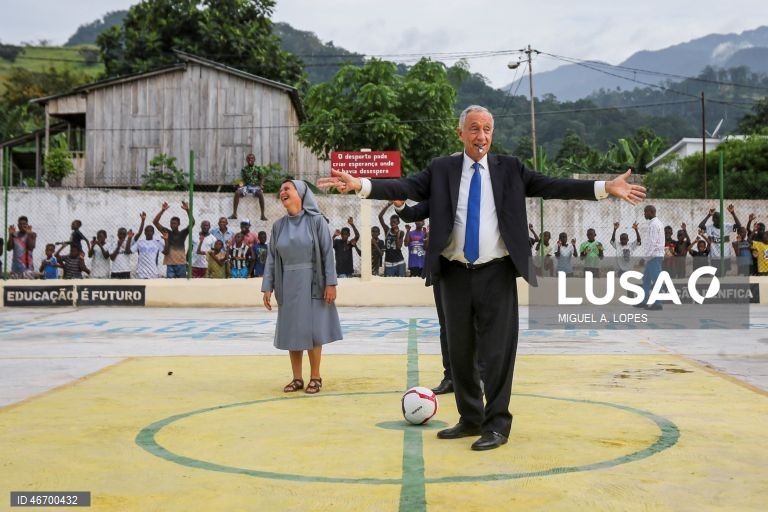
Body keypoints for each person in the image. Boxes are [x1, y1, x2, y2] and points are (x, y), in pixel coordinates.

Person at [318, 105, 645, 450]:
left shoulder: (511, 170)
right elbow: (406, 185)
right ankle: (471, 419)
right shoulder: (442, 169)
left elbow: (553, 185)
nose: (482, 136)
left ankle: (497, 425)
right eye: (474, 129)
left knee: (497, 352)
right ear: (460, 134)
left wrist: (604, 186)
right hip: (454, 273)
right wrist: (361, 185)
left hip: (497, 272)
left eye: (487, 129)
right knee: (460, 351)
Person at [262, 179, 342, 395]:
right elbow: (271, 258)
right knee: (292, 331)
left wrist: (331, 282)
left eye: (287, 188)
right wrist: (267, 286)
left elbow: (327, 253)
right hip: (287, 282)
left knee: (313, 331)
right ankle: (297, 378)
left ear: (301, 193)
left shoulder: (317, 221)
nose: (282, 192)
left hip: (313, 282)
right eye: (280, 190)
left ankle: (315, 377)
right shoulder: (278, 226)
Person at [395, 200, 455, 395]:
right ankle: (451, 377)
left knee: (474, 327)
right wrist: (400, 204)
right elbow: (412, 212)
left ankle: (477, 376)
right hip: (442, 268)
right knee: (446, 326)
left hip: (472, 267)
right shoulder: (440, 192)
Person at [153, 201, 194, 278]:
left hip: (181, 264)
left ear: (179, 224)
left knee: (182, 285)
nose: (172, 225)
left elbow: (192, 222)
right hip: (170, 264)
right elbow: (155, 222)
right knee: (170, 285)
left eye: (174, 223)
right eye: (171, 223)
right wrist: (162, 210)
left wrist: (187, 210)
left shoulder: (183, 233)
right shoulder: (167, 232)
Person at [698, 205, 741, 277]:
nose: (719, 220)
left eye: (720, 218)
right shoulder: (710, 227)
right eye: (716, 218)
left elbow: (738, 225)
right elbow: (701, 225)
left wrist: (733, 213)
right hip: (715, 256)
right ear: (713, 220)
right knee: (717, 274)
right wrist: (709, 215)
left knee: (723, 274)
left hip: (725, 255)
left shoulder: (726, 226)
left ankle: (721, 286)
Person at [637, 205, 665, 310]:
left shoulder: (654, 225)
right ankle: (644, 301)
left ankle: (658, 303)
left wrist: (645, 257)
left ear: (651, 212)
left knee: (656, 279)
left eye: (646, 212)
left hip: (654, 256)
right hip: (652, 256)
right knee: (646, 279)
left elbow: (653, 243)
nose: (644, 214)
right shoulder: (656, 223)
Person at [230, 153, 267, 221]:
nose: (250, 160)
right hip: (247, 186)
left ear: (254, 159)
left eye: (252, 158)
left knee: (260, 194)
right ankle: (234, 214)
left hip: (255, 186)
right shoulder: (244, 169)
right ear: (247, 160)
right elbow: (243, 180)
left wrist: (261, 185)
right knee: (237, 192)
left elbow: (262, 178)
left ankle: (262, 215)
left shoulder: (258, 168)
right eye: (249, 158)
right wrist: (240, 185)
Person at [133, 212, 165, 279]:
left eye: (150, 231)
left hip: (153, 272)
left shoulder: (157, 242)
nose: (149, 232)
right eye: (147, 231)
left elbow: (166, 251)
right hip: (141, 273)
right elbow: (138, 234)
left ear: (153, 232)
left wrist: (166, 240)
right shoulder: (140, 242)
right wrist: (143, 221)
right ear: (144, 232)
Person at [378, 203, 406, 277]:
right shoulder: (387, 230)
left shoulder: (401, 233)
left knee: (401, 284)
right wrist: (388, 205)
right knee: (388, 284)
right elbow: (380, 217)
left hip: (399, 262)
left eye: (394, 222)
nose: (392, 223)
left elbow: (398, 247)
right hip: (388, 263)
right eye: (391, 221)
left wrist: (397, 235)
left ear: (398, 222)